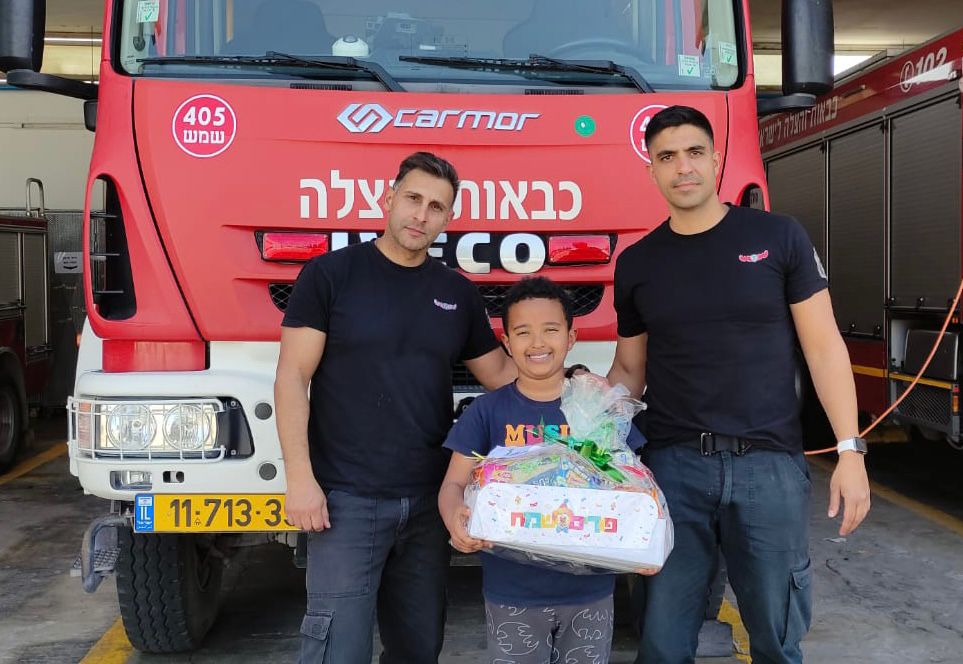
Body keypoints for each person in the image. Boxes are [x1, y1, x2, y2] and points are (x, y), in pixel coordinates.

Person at [606, 106, 871, 664]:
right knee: (661, 640)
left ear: (716, 159)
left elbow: (824, 348)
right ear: (651, 170)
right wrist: (584, 423)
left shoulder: (778, 237)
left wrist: (850, 451)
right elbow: (629, 371)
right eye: (667, 157)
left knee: (775, 638)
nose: (683, 167)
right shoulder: (637, 263)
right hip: (674, 471)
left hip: (768, 469)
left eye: (694, 152)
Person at [274, 151, 517, 664]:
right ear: (388, 199)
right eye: (413, 199)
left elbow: (501, 376)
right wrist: (300, 479)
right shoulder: (330, 276)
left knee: (418, 650)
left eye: (436, 207)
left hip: (428, 504)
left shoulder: (456, 293)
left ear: (448, 219)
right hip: (346, 502)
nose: (420, 215)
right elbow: (292, 377)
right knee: (337, 651)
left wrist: (579, 389)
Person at [439, 276, 646, 664]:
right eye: (523, 332)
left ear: (571, 338)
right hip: (512, 592)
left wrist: (643, 535)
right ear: (506, 342)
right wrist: (455, 519)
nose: (537, 343)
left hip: (590, 592)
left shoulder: (596, 408)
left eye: (551, 330)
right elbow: (453, 483)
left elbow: (633, 483)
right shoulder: (486, 411)